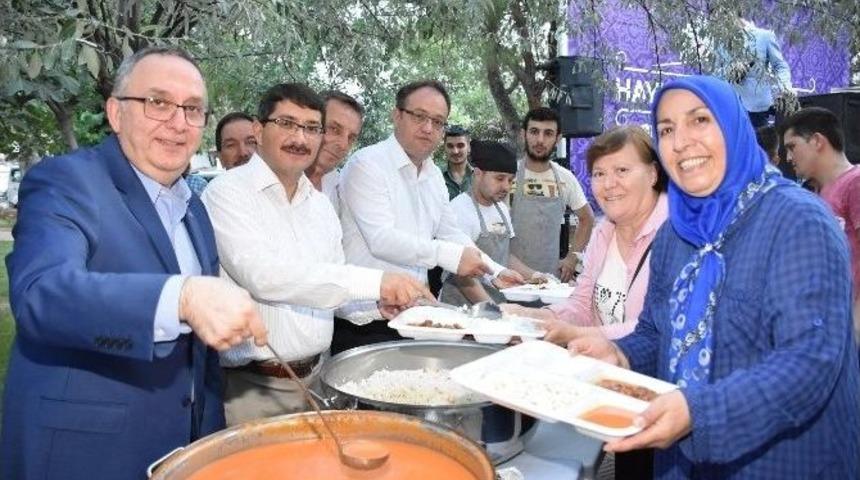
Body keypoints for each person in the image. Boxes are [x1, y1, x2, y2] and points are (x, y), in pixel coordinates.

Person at [0, 47, 268, 480]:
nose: (178, 122)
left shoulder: (195, 209)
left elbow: (200, 357)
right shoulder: (66, 181)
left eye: (193, 109)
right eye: (158, 102)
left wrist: (211, 439)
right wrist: (181, 297)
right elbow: (40, 295)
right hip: (85, 456)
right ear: (115, 112)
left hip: (184, 451)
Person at [571, 76, 859, 479]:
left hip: (784, 463)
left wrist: (699, 411)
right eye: (667, 129)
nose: (681, 141)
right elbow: (657, 329)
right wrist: (620, 354)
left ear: (733, 125)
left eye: (700, 120)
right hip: (682, 461)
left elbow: (808, 361)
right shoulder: (676, 232)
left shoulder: (798, 221)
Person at [202, 83, 430, 425]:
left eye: (311, 128)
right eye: (288, 124)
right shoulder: (226, 193)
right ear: (259, 128)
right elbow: (264, 277)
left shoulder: (321, 207)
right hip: (255, 388)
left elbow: (327, 290)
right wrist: (377, 282)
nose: (300, 138)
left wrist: (373, 305)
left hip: (320, 380)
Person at [335, 80, 522, 353]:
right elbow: (381, 239)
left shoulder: (433, 174)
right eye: (419, 116)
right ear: (397, 115)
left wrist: (495, 270)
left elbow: (450, 232)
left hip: (415, 316)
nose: (428, 128)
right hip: (366, 319)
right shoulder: (367, 165)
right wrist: (450, 257)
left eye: (438, 121)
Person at [504, 126, 668, 344]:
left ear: (653, 174)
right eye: (599, 173)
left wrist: (575, 335)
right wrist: (535, 317)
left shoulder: (678, 236)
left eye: (622, 170)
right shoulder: (603, 232)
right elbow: (582, 306)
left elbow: (659, 328)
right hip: (603, 370)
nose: (609, 184)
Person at [782, 106, 860, 346]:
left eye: (792, 147)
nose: (788, 158)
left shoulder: (855, 183)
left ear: (817, 141)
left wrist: (855, 328)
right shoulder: (815, 194)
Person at [440, 140, 538, 305]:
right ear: (478, 173)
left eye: (510, 180)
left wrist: (535, 276)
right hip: (461, 307)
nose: (506, 187)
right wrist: (493, 310)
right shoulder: (459, 209)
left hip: (496, 301)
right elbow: (462, 275)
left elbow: (504, 256)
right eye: (499, 179)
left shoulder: (502, 209)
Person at [510, 107, 594, 282]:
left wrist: (573, 257)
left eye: (548, 133)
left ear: (558, 139)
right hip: (511, 279)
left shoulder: (565, 178)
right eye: (534, 132)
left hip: (550, 282)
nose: (540, 140)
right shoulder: (509, 176)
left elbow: (587, 219)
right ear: (523, 134)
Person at [717, 17, 794, 128]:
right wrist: (731, 71)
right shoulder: (719, 41)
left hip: (758, 108)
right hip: (730, 107)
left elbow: (780, 66)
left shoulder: (764, 36)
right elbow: (714, 72)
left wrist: (785, 88)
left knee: (760, 142)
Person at [305, 91, 364, 212]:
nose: (343, 145)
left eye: (351, 138)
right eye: (335, 129)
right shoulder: (274, 176)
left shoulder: (341, 189)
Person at [442, 125, 473, 199]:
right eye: (450, 146)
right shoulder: (435, 175)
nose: (455, 151)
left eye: (460, 145)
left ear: (468, 147)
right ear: (445, 148)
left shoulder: (479, 176)